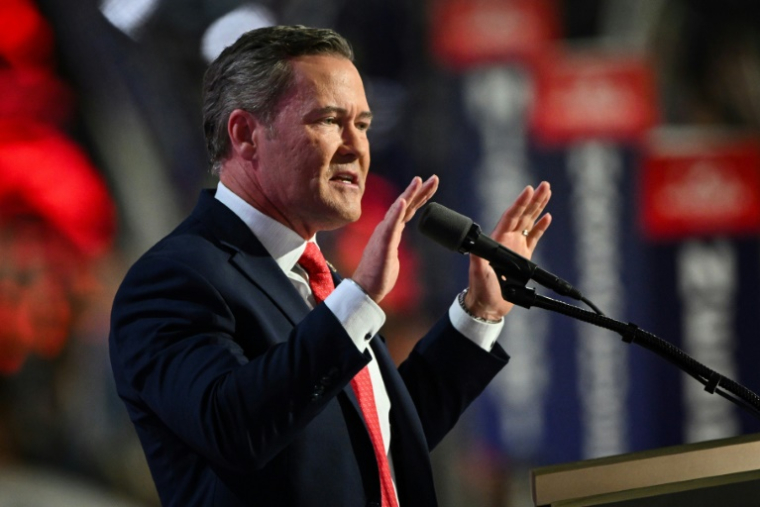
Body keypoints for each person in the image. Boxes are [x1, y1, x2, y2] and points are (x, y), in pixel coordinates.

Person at [109, 25, 552, 507]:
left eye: (361, 124)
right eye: (328, 120)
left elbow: (379, 440)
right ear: (245, 135)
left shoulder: (318, 280)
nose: (356, 146)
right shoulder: (174, 279)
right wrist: (358, 299)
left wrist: (479, 313)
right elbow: (235, 429)